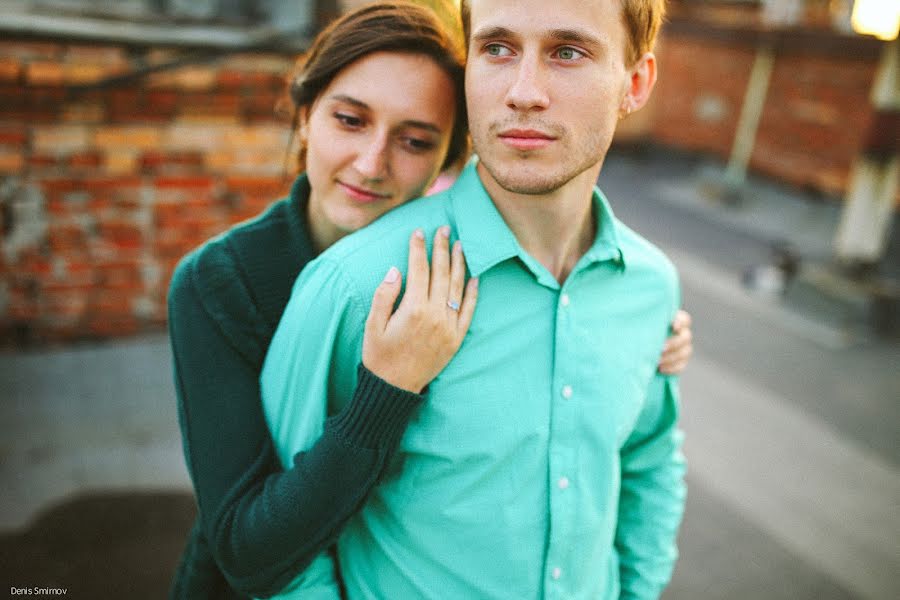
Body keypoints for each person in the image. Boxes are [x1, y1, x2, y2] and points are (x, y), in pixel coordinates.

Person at [169, 1, 692, 598]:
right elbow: (263, 552)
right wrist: (386, 389)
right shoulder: (333, 285)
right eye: (496, 49)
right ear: (306, 116)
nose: (371, 164)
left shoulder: (649, 287)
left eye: (568, 52)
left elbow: (649, 464)